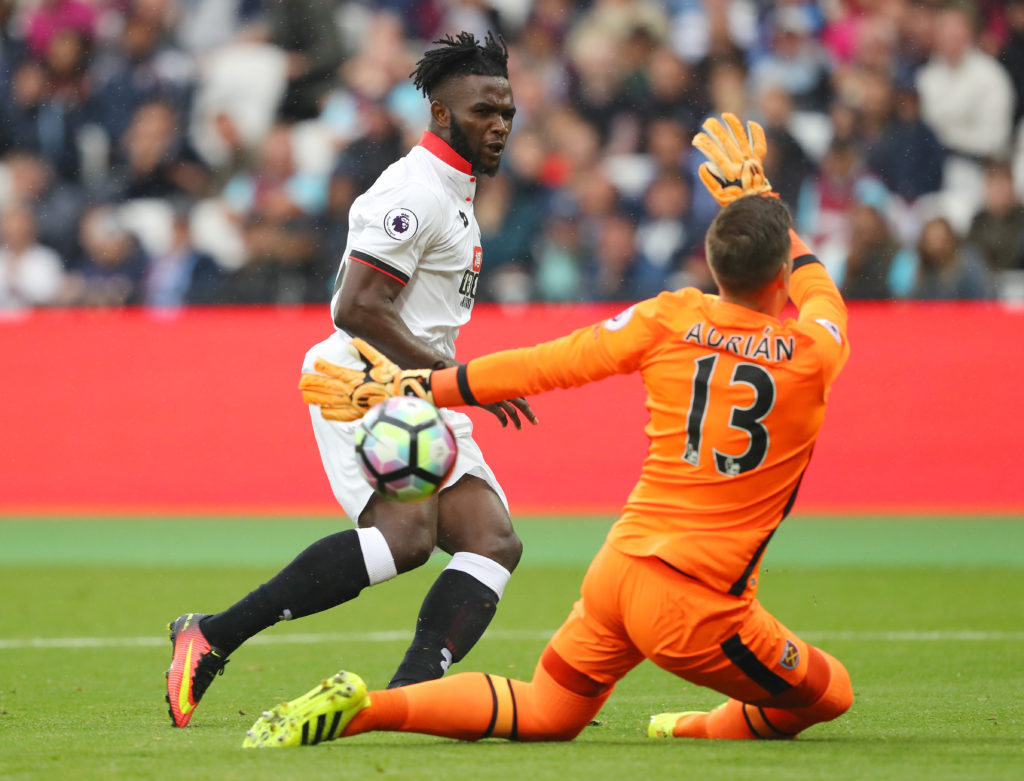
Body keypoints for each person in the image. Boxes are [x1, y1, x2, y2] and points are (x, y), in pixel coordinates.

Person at [242, 113, 854, 748]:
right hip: (698, 607)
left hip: (619, 575)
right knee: (828, 693)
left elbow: (542, 365)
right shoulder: (814, 351)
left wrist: (409, 384)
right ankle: (698, 725)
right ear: (780, 273)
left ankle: (370, 709)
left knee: (546, 713)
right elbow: (821, 294)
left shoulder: (670, 317)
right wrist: (764, 201)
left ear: (711, 261)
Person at [165, 31, 536, 728]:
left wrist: (455, 381)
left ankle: (409, 697)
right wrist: (465, 377)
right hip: (367, 378)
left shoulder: (455, 194)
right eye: (485, 110)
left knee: (493, 541)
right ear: (443, 115)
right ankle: (212, 635)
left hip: (424, 382)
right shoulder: (412, 190)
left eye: (508, 112)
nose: (500, 125)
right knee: (406, 539)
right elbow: (356, 306)